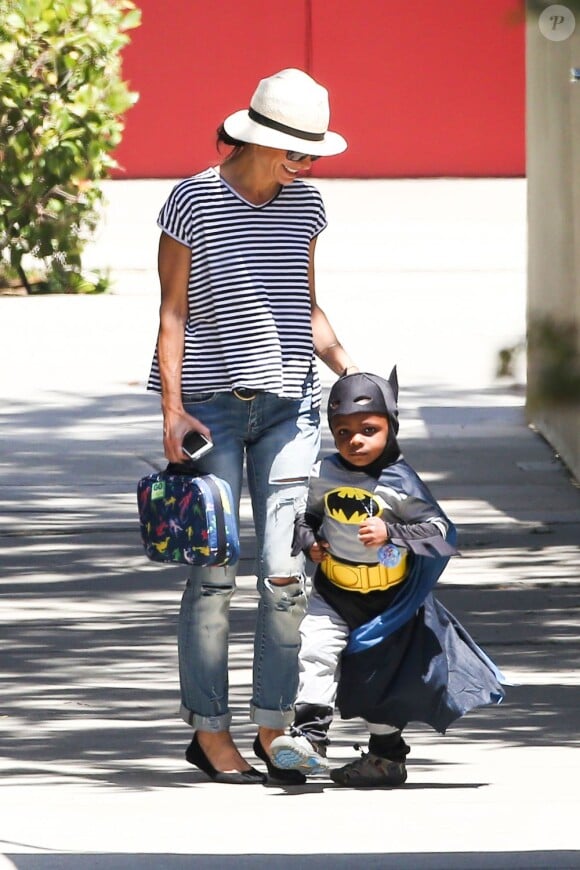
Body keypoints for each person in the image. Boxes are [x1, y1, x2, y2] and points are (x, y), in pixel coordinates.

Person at [147, 68, 358, 784]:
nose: (306, 168)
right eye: (297, 155)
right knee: (213, 576)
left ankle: (274, 726)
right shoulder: (191, 199)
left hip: (289, 407)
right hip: (209, 409)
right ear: (262, 140)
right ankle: (209, 733)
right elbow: (171, 313)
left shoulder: (306, 206)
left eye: (314, 157)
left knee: (284, 573)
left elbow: (307, 306)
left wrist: (350, 374)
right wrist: (172, 411)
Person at [270, 370, 505, 787]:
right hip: (334, 593)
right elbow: (306, 515)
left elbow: (440, 534)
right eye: (342, 432)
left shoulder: (401, 482)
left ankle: (386, 759)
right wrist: (310, 542)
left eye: (368, 430)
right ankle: (310, 738)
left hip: (388, 603)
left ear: (390, 428)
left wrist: (391, 532)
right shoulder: (325, 472)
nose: (355, 440)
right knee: (316, 650)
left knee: (379, 681)